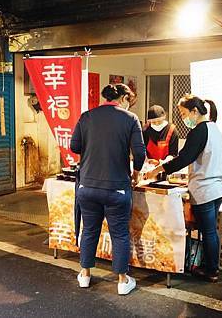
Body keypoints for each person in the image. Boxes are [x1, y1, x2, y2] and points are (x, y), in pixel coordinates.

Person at [70, 83, 145, 295]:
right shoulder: (130, 119)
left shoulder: (86, 117)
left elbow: (75, 146)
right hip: (117, 188)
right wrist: (136, 172)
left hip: (88, 186)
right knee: (119, 234)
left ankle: (85, 275)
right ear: (123, 98)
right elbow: (139, 154)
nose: (128, 105)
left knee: (89, 229)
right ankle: (122, 281)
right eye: (128, 101)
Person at [145, 95, 222, 282]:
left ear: (195, 111)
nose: (183, 118)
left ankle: (211, 270)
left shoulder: (199, 131)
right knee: (211, 230)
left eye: (183, 113)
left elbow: (184, 158)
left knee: (208, 231)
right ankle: (211, 267)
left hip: (205, 189)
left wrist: (159, 169)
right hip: (217, 188)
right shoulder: (214, 129)